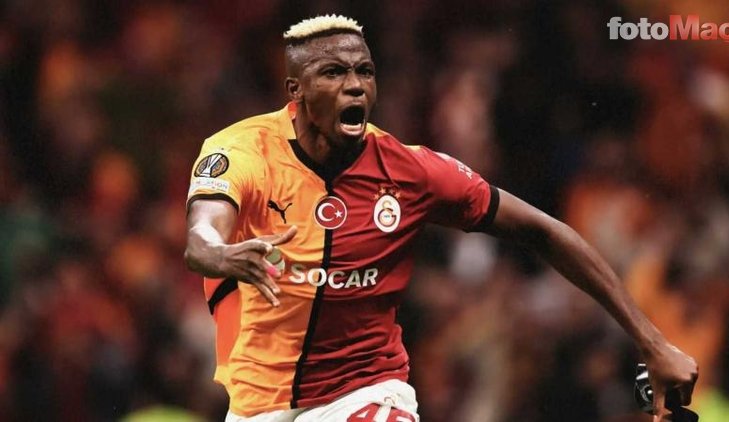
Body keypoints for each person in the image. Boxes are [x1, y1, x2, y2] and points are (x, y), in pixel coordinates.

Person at [184, 15, 698, 422]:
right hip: (259, 402)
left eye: (365, 71)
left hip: (365, 392)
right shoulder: (242, 150)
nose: (355, 86)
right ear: (295, 90)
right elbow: (202, 231)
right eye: (334, 73)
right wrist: (220, 253)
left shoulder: (410, 171)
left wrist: (653, 343)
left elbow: (542, 230)